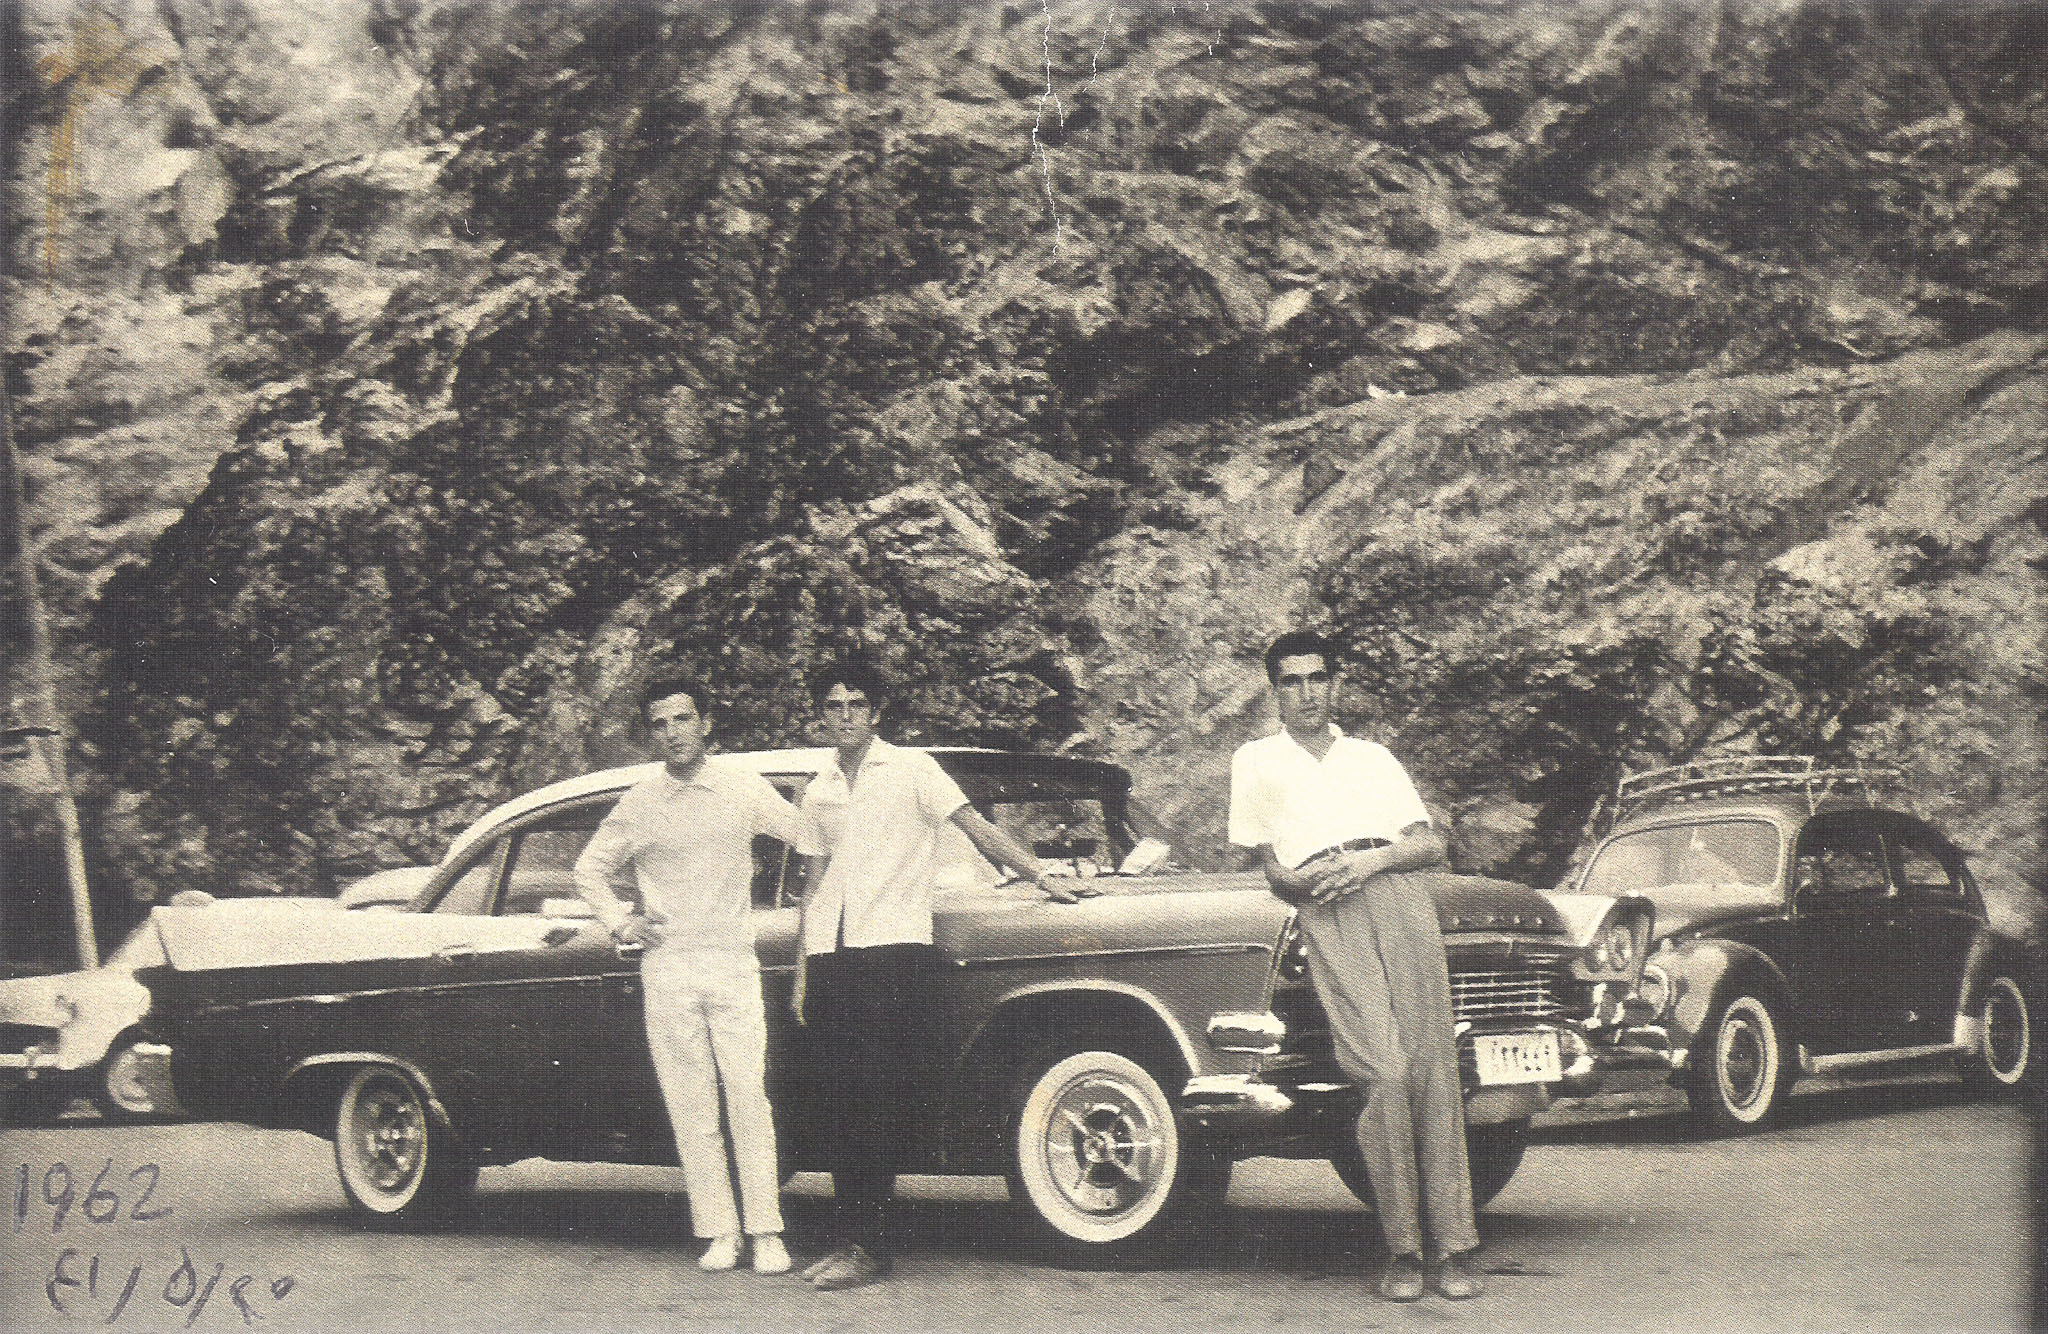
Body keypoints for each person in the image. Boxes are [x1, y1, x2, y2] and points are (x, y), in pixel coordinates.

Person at [790, 658, 1084, 1291]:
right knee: (841, 1102)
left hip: (893, 954)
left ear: (875, 713)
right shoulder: (817, 789)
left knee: (875, 1100)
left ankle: (869, 1245)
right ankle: (854, 1238)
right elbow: (813, 883)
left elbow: (974, 827)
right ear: (824, 715)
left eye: (856, 705)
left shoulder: (913, 770)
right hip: (832, 959)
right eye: (833, 706)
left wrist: (1038, 874)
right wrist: (801, 971)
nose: (844, 717)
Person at [1227, 630, 1484, 1303]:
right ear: (1274, 691)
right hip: (1328, 908)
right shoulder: (1255, 761)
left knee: (1432, 1063)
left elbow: (1430, 843)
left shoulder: (1372, 757)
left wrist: (1370, 861)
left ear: (1334, 684)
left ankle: (1455, 1247)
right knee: (1385, 1068)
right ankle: (1403, 1247)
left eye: (1319, 679)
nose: (1308, 693)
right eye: (1292, 682)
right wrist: (1312, 882)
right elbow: (1274, 873)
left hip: (1397, 892)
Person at [573, 676, 797, 1277]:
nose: (673, 733)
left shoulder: (741, 787)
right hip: (668, 967)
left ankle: (767, 1230)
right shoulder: (641, 801)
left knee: (748, 1097)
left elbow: (807, 833)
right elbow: (589, 870)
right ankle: (718, 1230)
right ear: (652, 733)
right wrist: (623, 922)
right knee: (691, 1102)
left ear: (705, 724)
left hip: (732, 962)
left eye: (683, 719)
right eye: (660, 723)